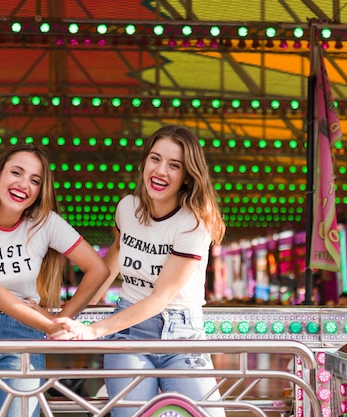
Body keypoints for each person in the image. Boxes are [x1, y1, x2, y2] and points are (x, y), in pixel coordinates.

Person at [53, 125, 227, 417]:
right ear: (144, 161)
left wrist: (93, 330)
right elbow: (115, 257)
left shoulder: (193, 223)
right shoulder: (127, 208)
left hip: (182, 335)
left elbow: (160, 298)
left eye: (174, 165)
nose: (161, 171)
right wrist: (72, 312)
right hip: (130, 332)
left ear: (187, 176)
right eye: (155, 159)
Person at [0, 143, 110, 417]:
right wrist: (52, 326)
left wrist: (64, 318)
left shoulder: (45, 222)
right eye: (16, 172)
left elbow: (98, 269)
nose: (24, 184)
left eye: (35, 180)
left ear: (40, 190)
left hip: (23, 335)